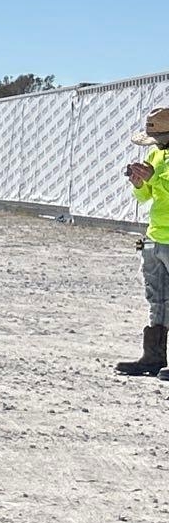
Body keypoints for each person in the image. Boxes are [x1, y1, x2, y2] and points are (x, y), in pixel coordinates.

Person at [115, 105, 169, 375]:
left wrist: (154, 178)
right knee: (156, 298)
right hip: (155, 236)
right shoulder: (155, 153)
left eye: (160, 136)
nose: (156, 142)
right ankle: (153, 356)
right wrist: (139, 183)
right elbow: (146, 197)